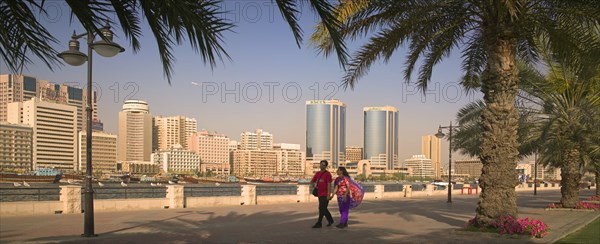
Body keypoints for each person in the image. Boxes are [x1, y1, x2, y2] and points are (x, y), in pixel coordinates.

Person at [310, 160, 333, 228]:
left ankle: (319, 223)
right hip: (319, 194)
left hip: (325, 194)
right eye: (320, 164)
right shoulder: (317, 173)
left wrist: (328, 194)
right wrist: (314, 186)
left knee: (321, 208)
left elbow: (329, 184)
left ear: (326, 166)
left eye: (323, 165)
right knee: (323, 208)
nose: (321, 166)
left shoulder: (328, 174)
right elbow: (312, 181)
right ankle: (330, 220)